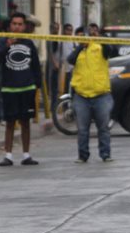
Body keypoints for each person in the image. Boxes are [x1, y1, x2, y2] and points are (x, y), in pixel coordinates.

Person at [0, 11, 42, 166]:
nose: (17, 27)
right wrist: (7, 46)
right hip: (9, 88)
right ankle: (8, 155)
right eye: (14, 24)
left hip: (27, 88)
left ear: (24, 26)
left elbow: (36, 65)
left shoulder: (29, 43)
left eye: (20, 24)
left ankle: (26, 155)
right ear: (10, 26)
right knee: (10, 122)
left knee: (26, 122)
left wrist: (37, 85)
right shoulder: (2, 41)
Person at [67, 21, 116, 163]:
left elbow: (110, 51)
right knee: (82, 129)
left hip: (101, 95)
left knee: (103, 128)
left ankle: (105, 154)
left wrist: (100, 38)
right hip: (82, 96)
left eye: (89, 34)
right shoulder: (77, 51)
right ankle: (83, 156)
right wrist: (81, 47)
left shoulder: (100, 47)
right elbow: (70, 60)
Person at [46, 21, 62, 112]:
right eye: (55, 28)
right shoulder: (49, 38)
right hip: (51, 66)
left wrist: (60, 63)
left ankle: (55, 106)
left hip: (59, 65)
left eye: (57, 28)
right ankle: (51, 107)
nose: (56, 30)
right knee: (51, 87)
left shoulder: (59, 39)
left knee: (57, 88)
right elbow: (50, 52)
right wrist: (54, 63)